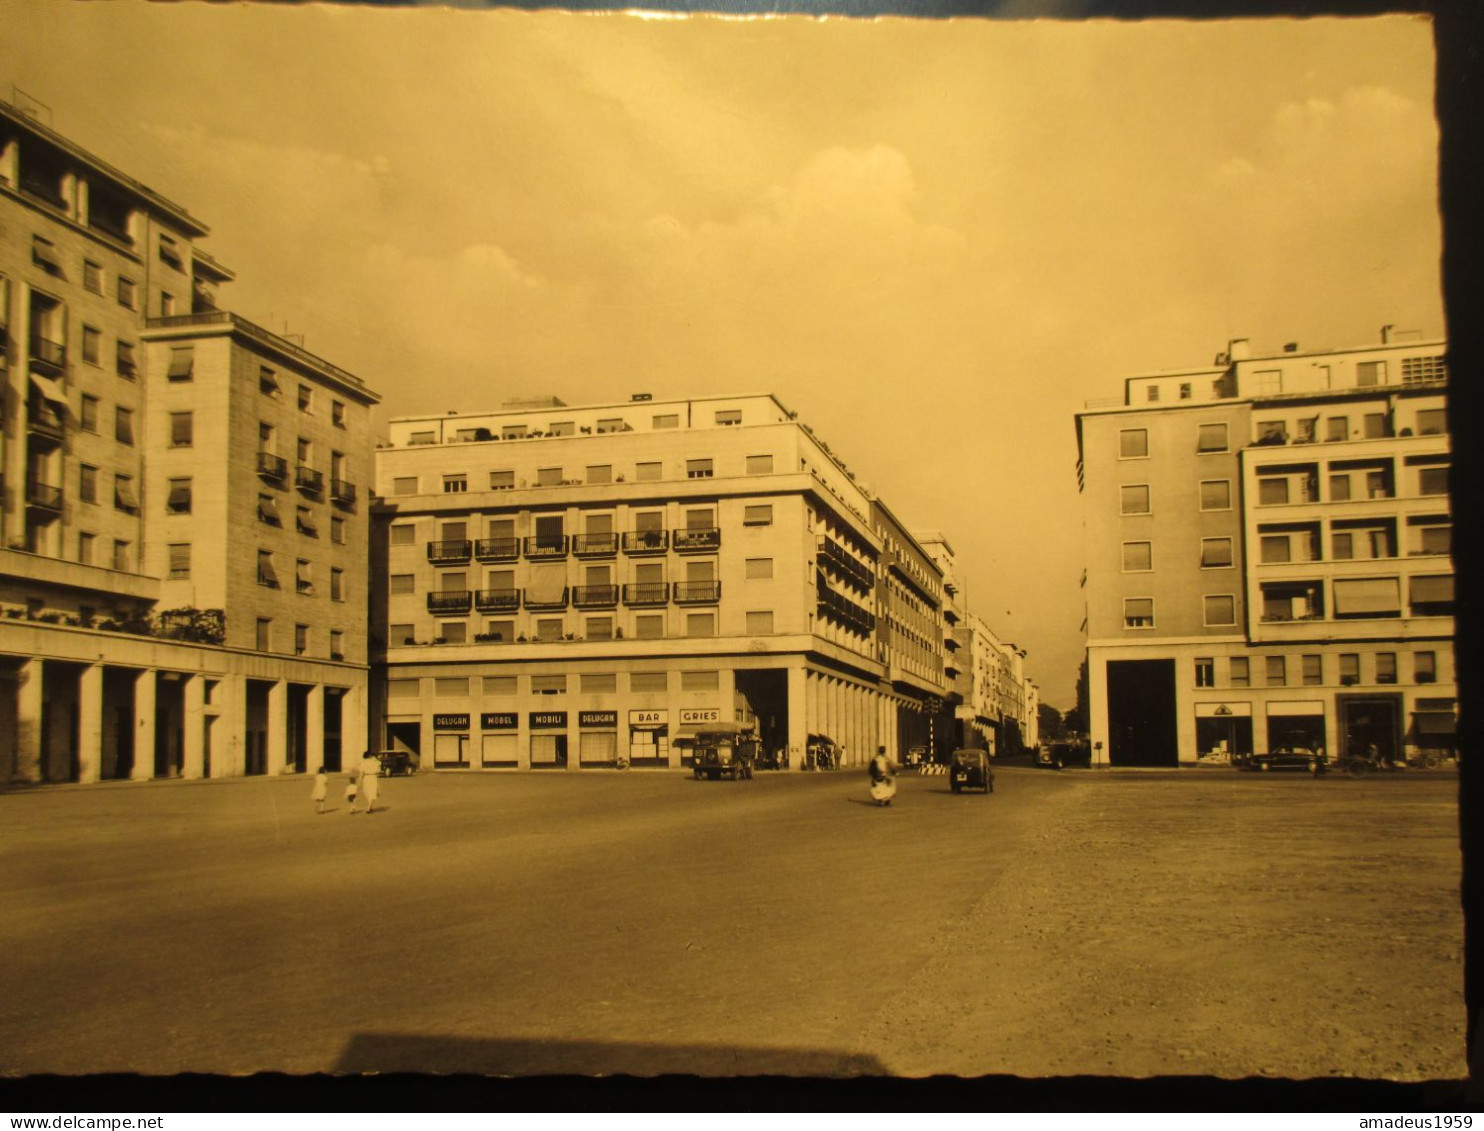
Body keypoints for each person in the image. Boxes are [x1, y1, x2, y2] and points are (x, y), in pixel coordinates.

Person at [357, 750, 383, 814]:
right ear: (370, 756)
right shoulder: (374, 762)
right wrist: (375, 759)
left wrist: (359, 782)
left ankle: (368, 807)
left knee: (368, 792)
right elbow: (379, 768)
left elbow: (361, 773)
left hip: (367, 777)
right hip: (372, 777)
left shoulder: (363, 762)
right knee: (370, 792)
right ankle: (370, 806)